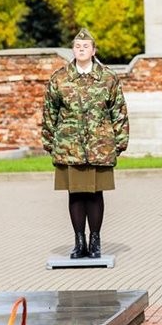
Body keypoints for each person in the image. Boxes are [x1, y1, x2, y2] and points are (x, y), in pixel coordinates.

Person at [41, 28, 129, 259]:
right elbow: (50, 112)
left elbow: (118, 111)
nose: (82, 50)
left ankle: (95, 241)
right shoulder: (59, 78)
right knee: (76, 194)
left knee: (95, 194)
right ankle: (79, 242)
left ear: (93, 50)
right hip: (69, 146)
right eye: (78, 47)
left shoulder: (108, 78)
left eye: (86, 47)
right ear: (73, 50)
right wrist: (50, 141)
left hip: (99, 145)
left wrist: (120, 141)